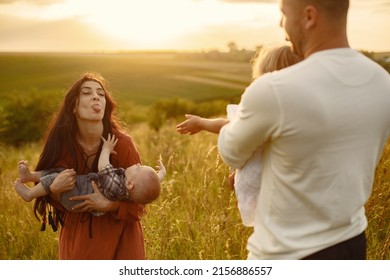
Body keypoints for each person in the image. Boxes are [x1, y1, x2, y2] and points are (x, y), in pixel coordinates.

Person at [218, 0, 390, 260]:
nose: (281, 25)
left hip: (285, 255)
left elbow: (231, 153)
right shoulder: (382, 83)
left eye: (284, 15)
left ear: (309, 16)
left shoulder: (273, 89)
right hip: (352, 246)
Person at [176, 46, 302, 226]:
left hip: (269, 196)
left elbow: (230, 126)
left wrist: (203, 123)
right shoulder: (302, 114)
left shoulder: (262, 111)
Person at [31, 72, 147, 259]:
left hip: (122, 242)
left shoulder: (122, 144)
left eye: (101, 94)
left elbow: (141, 203)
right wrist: (54, 190)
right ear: (73, 107)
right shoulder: (62, 147)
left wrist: (110, 205)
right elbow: (51, 197)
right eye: (87, 92)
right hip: (78, 242)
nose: (96, 96)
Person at [14, 133, 166, 215]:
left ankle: (30, 194)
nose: (139, 164)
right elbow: (151, 182)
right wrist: (161, 173)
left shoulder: (115, 184)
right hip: (80, 189)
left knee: (57, 177)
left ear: (129, 184)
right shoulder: (135, 188)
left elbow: (103, 166)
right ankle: (30, 176)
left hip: (78, 194)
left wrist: (106, 149)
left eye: (139, 168)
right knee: (60, 173)